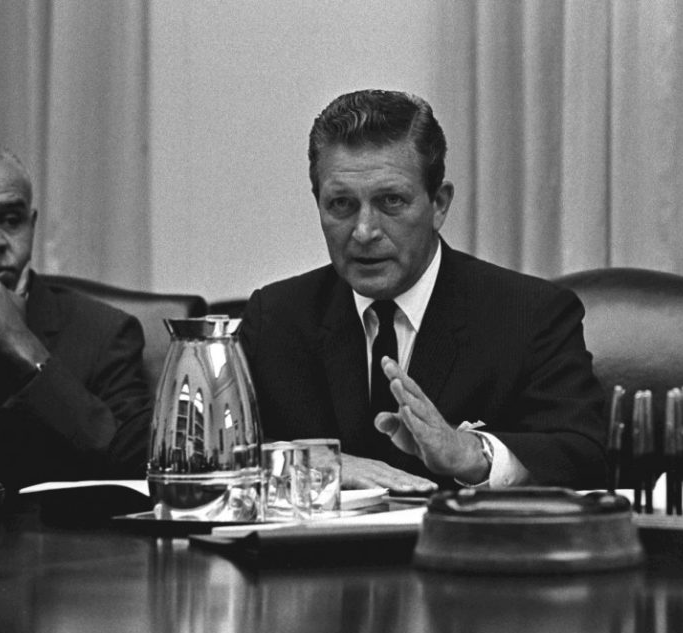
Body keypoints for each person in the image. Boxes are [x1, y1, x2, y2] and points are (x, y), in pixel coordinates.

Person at [240, 89, 608, 492]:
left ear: (439, 205)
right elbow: (202, 456)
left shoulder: (530, 314)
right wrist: (307, 464)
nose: (364, 231)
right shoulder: (274, 319)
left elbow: (583, 455)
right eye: (341, 204)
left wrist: (470, 453)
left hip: (463, 552)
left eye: (391, 201)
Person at [0, 137, 151, 491]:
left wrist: (24, 350)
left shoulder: (104, 334)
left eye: (10, 219)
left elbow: (134, 465)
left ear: (31, 226)